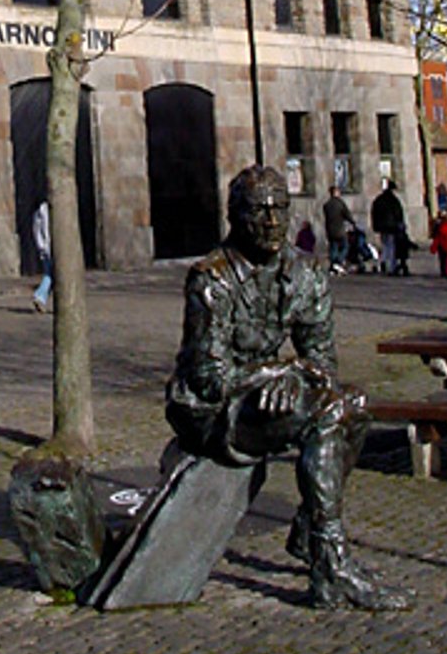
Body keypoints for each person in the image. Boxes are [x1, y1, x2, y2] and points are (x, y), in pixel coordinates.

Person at [166, 164, 411, 611]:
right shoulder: (211, 277)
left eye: (279, 208)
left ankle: (310, 530)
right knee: (330, 412)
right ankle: (330, 564)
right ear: (235, 216)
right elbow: (209, 375)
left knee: (354, 403)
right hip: (210, 411)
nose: (272, 221)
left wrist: (293, 375)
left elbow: (322, 361)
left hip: (271, 393)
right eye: (258, 211)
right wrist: (274, 374)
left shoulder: (306, 274)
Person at [370, 181, 406, 276]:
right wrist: (400, 225)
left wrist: (376, 226)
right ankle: (391, 266)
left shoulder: (378, 200)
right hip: (391, 226)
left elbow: (374, 213)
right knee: (391, 247)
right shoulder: (393, 200)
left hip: (382, 226)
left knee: (385, 245)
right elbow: (398, 213)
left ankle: (382, 261)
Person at [322, 185, 353, 274]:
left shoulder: (327, 205)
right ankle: (338, 261)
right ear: (336, 192)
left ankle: (333, 265)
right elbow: (347, 215)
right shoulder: (340, 203)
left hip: (330, 229)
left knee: (333, 247)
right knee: (345, 246)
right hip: (339, 229)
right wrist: (353, 222)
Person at [31, 200, 53, 313]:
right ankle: (39, 295)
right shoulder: (46, 211)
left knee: (49, 273)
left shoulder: (36, 214)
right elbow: (46, 231)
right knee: (50, 274)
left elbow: (36, 231)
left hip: (43, 247)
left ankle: (42, 299)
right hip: (49, 248)